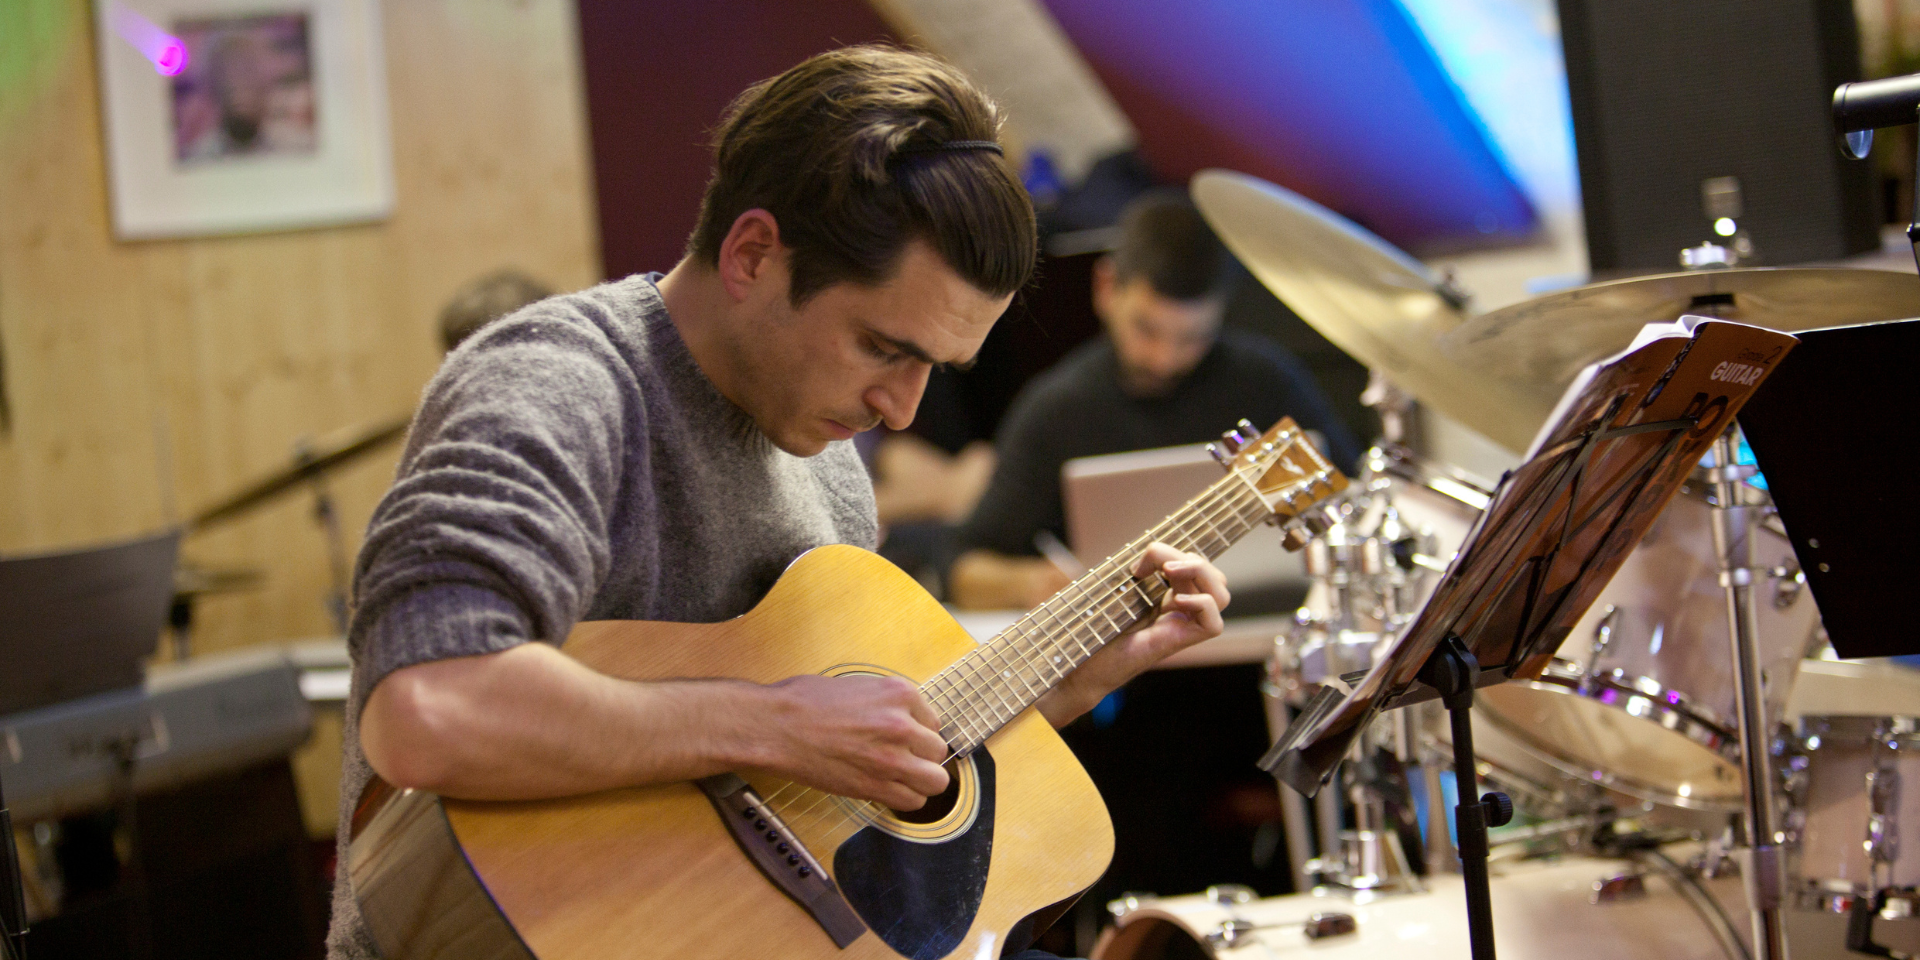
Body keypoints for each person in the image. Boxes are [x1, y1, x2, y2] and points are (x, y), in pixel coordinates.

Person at [327, 46, 1231, 960]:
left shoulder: (828, 463)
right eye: (884, 346)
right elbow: (427, 708)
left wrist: (1077, 672)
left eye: (937, 369)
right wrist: (778, 724)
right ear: (753, 253)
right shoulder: (561, 389)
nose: (903, 407)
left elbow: (828, 800)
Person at [948, 191, 1359, 610]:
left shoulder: (1266, 385)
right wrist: (1034, 583)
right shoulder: (1060, 410)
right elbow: (962, 568)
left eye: (1192, 338)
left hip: (1266, 635)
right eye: (1146, 329)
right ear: (1106, 287)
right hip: (1123, 657)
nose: (1164, 360)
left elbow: (1351, 512)